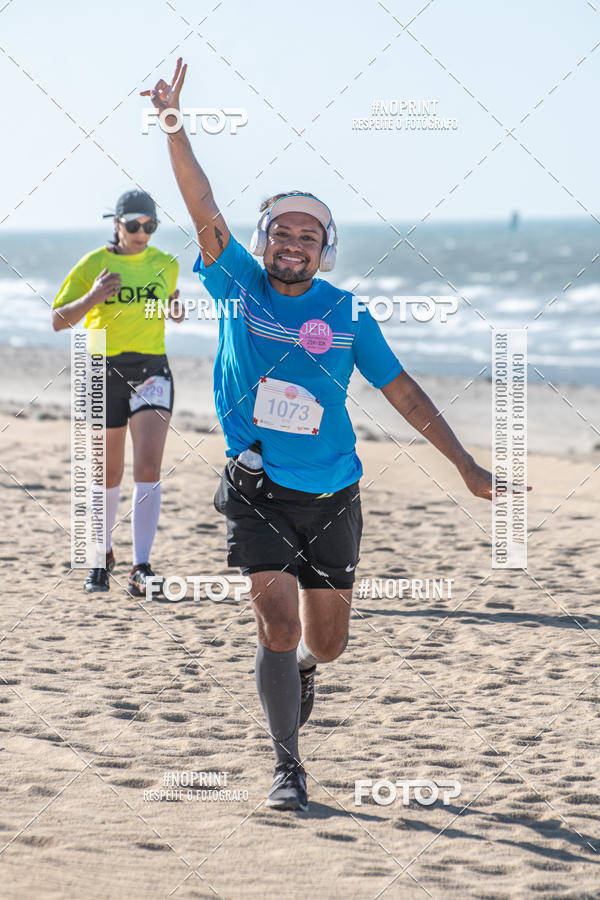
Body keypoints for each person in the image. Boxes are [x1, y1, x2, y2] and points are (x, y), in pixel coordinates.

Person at [143, 59, 527, 812]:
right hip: (257, 490)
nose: (292, 243)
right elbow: (200, 201)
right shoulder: (238, 284)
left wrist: (466, 466)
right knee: (275, 625)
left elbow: (404, 391)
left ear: (326, 249)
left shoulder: (347, 314)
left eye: (308, 235)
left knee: (326, 642)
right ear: (262, 240)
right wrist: (173, 123)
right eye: (281, 231)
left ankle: (306, 674)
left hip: (334, 494)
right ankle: (289, 766)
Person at [52, 189, 182, 596]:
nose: (141, 233)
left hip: (151, 371)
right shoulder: (95, 264)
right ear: (117, 223)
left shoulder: (167, 265)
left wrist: (173, 312)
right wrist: (93, 297)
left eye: (150, 226)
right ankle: (100, 555)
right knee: (107, 473)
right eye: (133, 225)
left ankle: (141, 566)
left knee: (148, 469)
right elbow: (58, 319)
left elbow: (161, 310)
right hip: (101, 371)